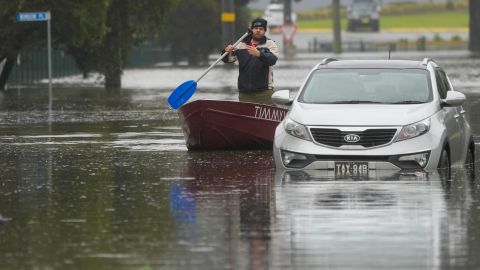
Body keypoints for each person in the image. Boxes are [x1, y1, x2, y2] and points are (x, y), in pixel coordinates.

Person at [222, 18, 279, 105]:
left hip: (264, 92)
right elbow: (228, 60)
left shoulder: (270, 44)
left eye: (261, 29)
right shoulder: (241, 44)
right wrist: (226, 51)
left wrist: (259, 54)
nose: (258, 31)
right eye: (256, 28)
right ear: (252, 30)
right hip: (245, 93)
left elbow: (272, 60)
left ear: (265, 31)